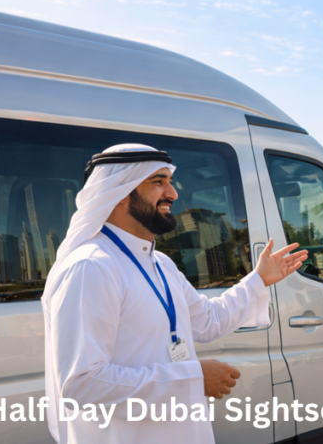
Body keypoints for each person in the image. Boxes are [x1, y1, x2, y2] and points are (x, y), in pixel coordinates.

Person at [42, 144, 307, 444]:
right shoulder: (91, 267)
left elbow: (208, 321)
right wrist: (193, 379)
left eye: (169, 181)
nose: (173, 193)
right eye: (158, 182)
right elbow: (83, 384)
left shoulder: (160, 263)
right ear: (118, 191)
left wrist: (258, 280)